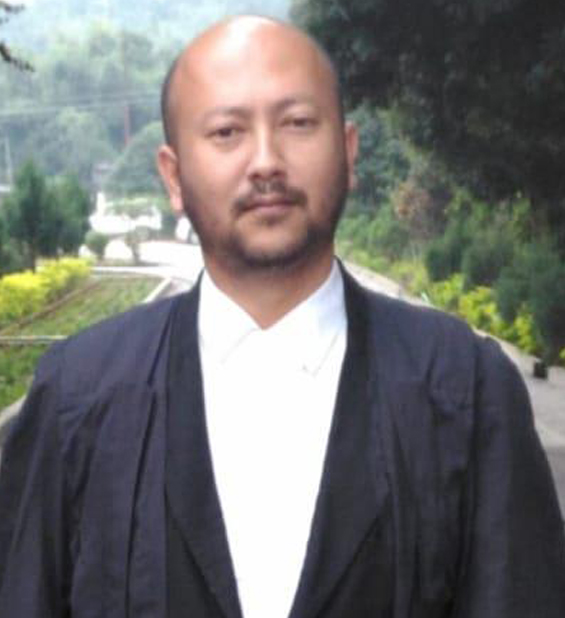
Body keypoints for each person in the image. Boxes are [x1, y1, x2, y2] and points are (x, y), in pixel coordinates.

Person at [0, 15, 564, 618]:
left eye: (297, 123)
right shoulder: (80, 395)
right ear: (173, 175)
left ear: (348, 151)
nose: (266, 161)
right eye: (226, 132)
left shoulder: (463, 387)